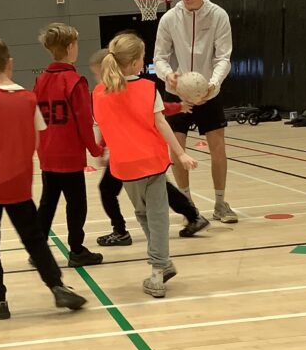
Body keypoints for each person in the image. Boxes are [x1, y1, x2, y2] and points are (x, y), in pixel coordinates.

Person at [0, 37, 87, 320]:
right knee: (34, 238)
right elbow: (36, 138)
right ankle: (57, 286)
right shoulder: (29, 98)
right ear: (10, 63)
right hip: (18, 182)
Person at [92, 32, 197, 297]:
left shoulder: (99, 93)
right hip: (153, 162)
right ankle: (159, 272)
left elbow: (101, 127)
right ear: (136, 63)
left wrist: (98, 151)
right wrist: (181, 154)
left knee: (143, 214)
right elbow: (161, 124)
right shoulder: (148, 88)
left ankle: (161, 266)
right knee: (158, 217)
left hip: (125, 166)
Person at [88, 48, 210, 247]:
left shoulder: (113, 91)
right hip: (134, 152)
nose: (96, 78)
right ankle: (193, 216)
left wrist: (101, 148)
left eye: (97, 73)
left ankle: (121, 232)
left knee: (114, 192)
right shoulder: (113, 90)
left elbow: (155, 111)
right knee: (157, 188)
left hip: (129, 154)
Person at [154, 0, 237, 224]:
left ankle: (221, 203)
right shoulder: (169, 19)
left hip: (208, 91)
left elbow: (223, 57)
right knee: (177, 148)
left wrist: (213, 83)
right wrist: (169, 75)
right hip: (177, 92)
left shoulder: (218, 16)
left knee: (218, 147)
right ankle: (187, 204)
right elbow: (159, 57)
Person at [32, 23, 104, 266]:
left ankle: (37, 251)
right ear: (71, 47)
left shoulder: (40, 80)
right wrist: (95, 149)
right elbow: (84, 122)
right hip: (69, 155)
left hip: (47, 153)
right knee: (76, 204)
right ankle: (77, 249)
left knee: (47, 203)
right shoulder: (75, 81)